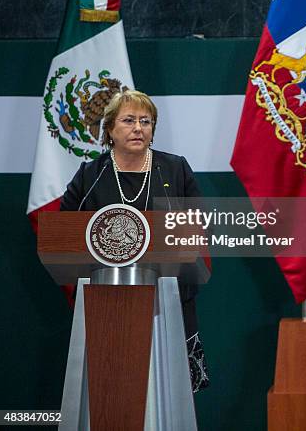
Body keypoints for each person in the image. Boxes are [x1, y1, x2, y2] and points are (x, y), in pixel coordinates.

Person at [61, 89, 209, 392]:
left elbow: (197, 224)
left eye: (146, 121)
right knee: (114, 394)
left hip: (168, 296)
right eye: (129, 120)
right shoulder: (91, 175)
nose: (139, 128)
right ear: (110, 130)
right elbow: (63, 232)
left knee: (170, 392)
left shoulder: (174, 168)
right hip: (109, 301)